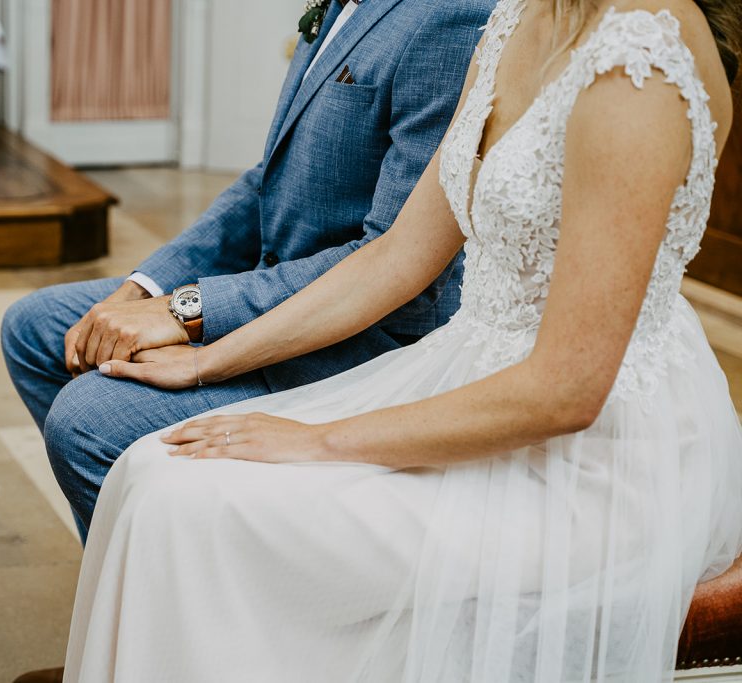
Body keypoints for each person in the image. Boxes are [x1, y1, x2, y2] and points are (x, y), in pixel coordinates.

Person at [63, 0, 742, 680]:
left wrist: (317, 440)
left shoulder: (638, 66)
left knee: (191, 508)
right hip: (472, 372)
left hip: (589, 461)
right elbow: (396, 256)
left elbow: (566, 392)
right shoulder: (519, 17)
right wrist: (207, 361)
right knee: (151, 472)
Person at [1, 0, 495, 544]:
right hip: (276, 279)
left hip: (360, 337)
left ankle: (171, 573)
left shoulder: (449, 18)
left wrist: (186, 313)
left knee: (86, 421)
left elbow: (391, 256)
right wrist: (142, 289)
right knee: (37, 327)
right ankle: (133, 548)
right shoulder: (339, 7)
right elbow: (267, 180)